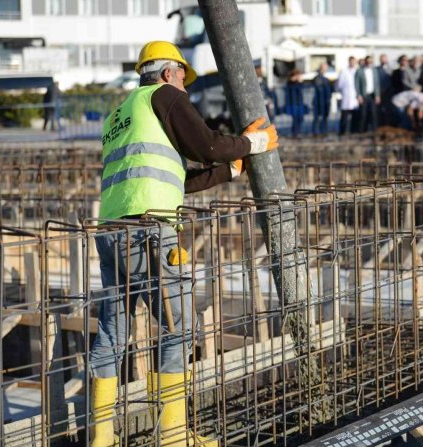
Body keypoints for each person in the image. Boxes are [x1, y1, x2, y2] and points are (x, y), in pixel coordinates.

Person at [90, 41, 278, 447]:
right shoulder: (165, 96)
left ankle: (101, 439)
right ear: (166, 73)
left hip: (110, 232)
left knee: (112, 330)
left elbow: (174, 178)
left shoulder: (120, 115)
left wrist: (229, 169)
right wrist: (252, 144)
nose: (186, 89)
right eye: (182, 77)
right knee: (181, 327)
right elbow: (205, 146)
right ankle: (173, 437)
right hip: (149, 231)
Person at [355, 55, 381, 132]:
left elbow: (376, 83)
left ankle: (374, 130)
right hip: (364, 95)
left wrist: (378, 95)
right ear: (365, 62)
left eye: (371, 61)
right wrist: (358, 95)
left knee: (373, 114)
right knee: (363, 114)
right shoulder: (360, 71)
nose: (369, 63)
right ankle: (362, 131)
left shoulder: (374, 70)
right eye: (368, 61)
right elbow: (357, 84)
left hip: (373, 95)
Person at [336, 56, 359, 135]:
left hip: (355, 96)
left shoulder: (357, 71)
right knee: (344, 116)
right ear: (349, 62)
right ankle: (342, 131)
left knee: (355, 116)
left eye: (354, 61)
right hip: (346, 95)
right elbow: (340, 84)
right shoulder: (344, 71)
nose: (352, 63)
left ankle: (353, 131)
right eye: (351, 61)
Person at [312, 62, 332, 136]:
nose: (326, 69)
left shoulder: (324, 78)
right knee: (318, 118)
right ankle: (318, 132)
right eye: (325, 67)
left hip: (324, 100)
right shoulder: (318, 78)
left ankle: (322, 131)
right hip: (320, 101)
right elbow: (319, 89)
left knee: (323, 117)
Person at [285, 69, 306, 137]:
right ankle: (295, 132)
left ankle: (297, 131)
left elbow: (302, 87)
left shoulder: (298, 82)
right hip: (293, 103)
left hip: (299, 102)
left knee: (300, 118)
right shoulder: (290, 83)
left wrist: (300, 81)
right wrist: (294, 81)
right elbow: (291, 88)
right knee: (295, 118)